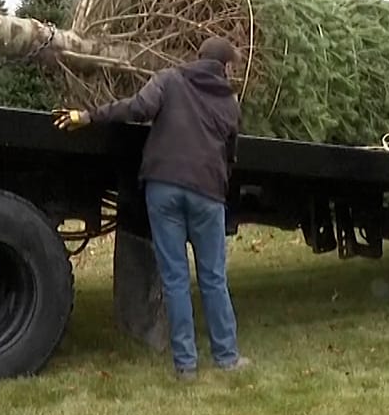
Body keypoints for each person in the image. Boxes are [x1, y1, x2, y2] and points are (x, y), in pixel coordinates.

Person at [53, 36, 250, 381]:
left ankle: (186, 365)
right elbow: (230, 154)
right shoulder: (229, 102)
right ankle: (227, 357)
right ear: (225, 67)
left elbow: (135, 108)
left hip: (165, 188)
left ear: (197, 56)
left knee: (174, 278)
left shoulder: (170, 80)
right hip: (207, 194)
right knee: (213, 278)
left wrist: (88, 116)